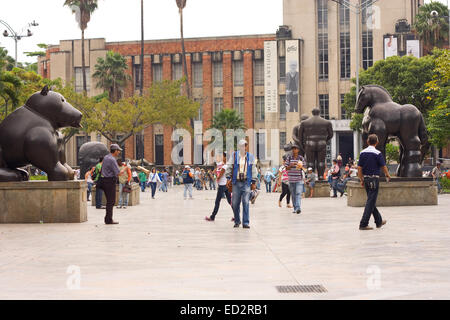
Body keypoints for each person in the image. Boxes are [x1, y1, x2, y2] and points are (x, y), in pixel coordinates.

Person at [357, 134, 391, 231]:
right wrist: (387, 175)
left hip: (366, 179)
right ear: (377, 142)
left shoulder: (363, 152)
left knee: (371, 201)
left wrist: (361, 179)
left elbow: (359, 168)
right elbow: (383, 166)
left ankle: (379, 221)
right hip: (374, 180)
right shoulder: (377, 153)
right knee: (370, 202)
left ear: (367, 142)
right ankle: (363, 224)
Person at [226, 139, 257, 229]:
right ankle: (237, 220)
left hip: (246, 183)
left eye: (245, 145)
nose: (244, 147)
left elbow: (253, 169)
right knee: (235, 203)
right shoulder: (234, 155)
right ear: (239, 147)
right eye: (243, 145)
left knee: (246, 202)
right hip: (236, 183)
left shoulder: (250, 156)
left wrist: (254, 181)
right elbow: (229, 166)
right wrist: (228, 178)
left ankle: (246, 222)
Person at [96, 144, 122, 225]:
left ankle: (108, 218)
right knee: (111, 201)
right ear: (115, 150)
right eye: (118, 150)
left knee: (109, 201)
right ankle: (108, 219)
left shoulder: (106, 157)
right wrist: (126, 168)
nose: (119, 152)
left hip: (104, 180)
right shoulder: (112, 159)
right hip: (110, 181)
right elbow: (118, 173)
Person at [205, 152, 232, 221]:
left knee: (217, 202)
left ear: (225, 157)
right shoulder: (220, 166)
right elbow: (215, 175)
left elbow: (218, 177)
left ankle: (212, 217)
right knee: (230, 201)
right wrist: (212, 174)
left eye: (221, 156)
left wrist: (213, 175)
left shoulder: (224, 166)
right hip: (225, 186)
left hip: (222, 186)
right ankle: (236, 216)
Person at [285, 144, 306, 214]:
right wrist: (291, 165)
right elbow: (286, 168)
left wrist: (300, 166)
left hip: (299, 179)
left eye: (295, 149)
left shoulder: (301, 158)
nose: (294, 150)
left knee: (298, 193)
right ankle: (295, 208)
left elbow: (305, 168)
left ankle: (298, 208)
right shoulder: (289, 158)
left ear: (298, 150)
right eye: (293, 149)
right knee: (293, 194)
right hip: (291, 179)